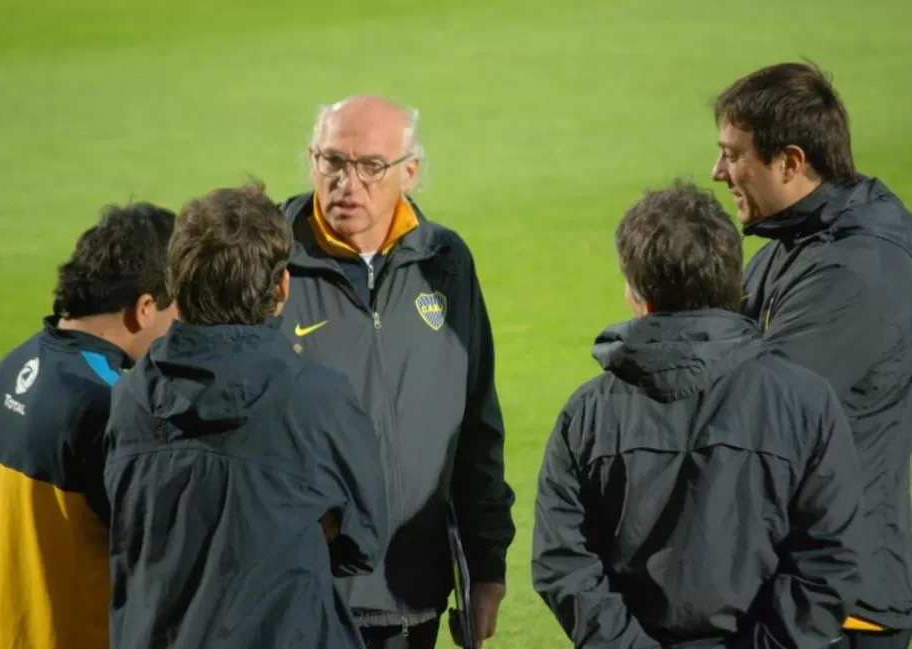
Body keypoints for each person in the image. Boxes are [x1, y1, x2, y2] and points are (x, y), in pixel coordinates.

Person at [531, 180, 865, 649]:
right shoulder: (806, 401)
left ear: (636, 293)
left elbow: (564, 565)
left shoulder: (586, 414)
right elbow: (831, 561)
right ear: (733, 279)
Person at [103, 182, 388, 649]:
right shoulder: (317, 398)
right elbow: (364, 539)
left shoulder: (130, 394)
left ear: (176, 282)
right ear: (281, 287)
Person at [277, 95, 516, 649]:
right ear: (313, 161)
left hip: (415, 593)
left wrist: (486, 569)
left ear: (409, 173)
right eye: (332, 161)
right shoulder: (269, 260)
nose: (346, 183)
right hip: (303, 597)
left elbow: (476, 418)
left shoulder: (444, 260)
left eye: (370, 167)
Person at [712, 61, 912, 649]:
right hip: (798, 583)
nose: (718, 172)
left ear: (792, 162)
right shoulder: (791, 240)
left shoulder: (856, 271)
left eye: (732, 154)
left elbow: (757, 409)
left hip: (839, 604)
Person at [0, 202, 177, 649]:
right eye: (178, 310)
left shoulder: (14, 364)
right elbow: (162, 558)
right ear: (143, 308)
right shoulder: (110, 404)